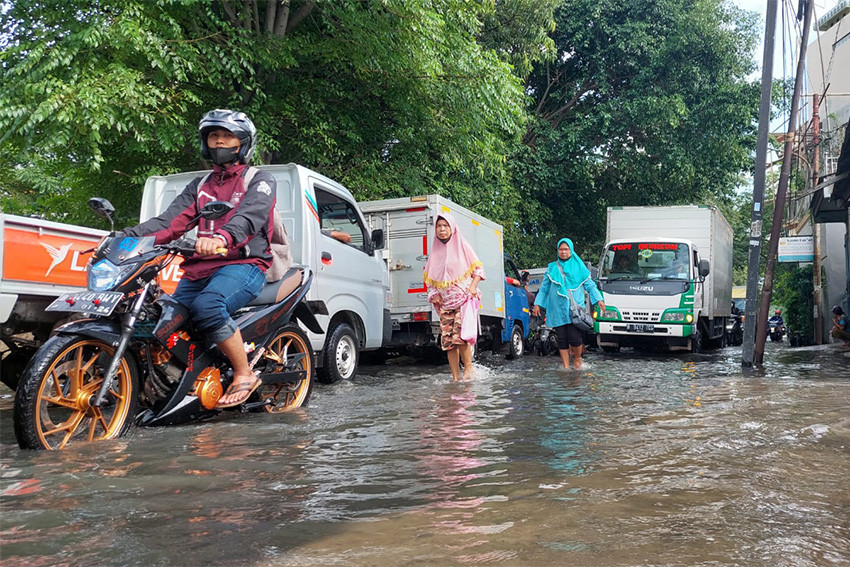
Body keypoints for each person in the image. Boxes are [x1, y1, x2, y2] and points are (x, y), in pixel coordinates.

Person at [122, 109, 276, 408]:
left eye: (227, 136)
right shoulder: (200, 185)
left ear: (243, 143)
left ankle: (244, 372)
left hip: (243, 265)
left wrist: (222, 238)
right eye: (213, 136)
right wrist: (126, 236)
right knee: (165, 320)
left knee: (208, 307)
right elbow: (169, 223)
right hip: (198, 269)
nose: (219, 142)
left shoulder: (259, 179)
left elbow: (250, 216)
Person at [424, 213, 484, 381]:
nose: (442, 229)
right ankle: (455, 377)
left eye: (446, 226)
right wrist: (434, 294)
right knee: (448, 342)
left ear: (452, 228)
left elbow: (478, 269)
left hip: (463, 300)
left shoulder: (462, 246)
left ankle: (468, 370)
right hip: (445, 304)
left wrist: (473, 286)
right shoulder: (435, 252)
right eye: (439, 226)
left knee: (460, 337)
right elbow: (429, 279)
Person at [532, 238, 605, 369]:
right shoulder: (552, 268)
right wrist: (537, 304)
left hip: (574, 309)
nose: (563, 252)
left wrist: (599, 300)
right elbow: (544, 289)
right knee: (562, 339)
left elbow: (590, 285)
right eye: (561, 249)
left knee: (575, 338)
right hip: (557, 309)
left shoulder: (579, 267)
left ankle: (577, 359)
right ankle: (565, 366)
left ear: (571, 250)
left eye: (566, 249)